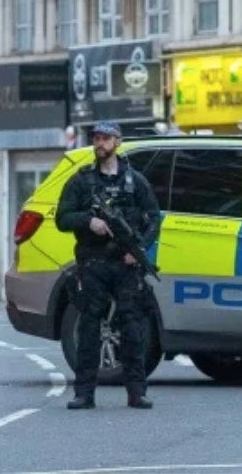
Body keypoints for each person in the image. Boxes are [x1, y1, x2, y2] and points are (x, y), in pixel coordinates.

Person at [54, 121, 161, 411]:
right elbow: (62, 218)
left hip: (126, 265)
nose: (99, 143)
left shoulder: (135, 181)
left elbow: (154, 218)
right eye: (96, 139)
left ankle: (137, 392)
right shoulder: (82, 180)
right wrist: (89, 221)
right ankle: (84, 393)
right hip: (94, 263)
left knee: (133, 327)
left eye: (104, 138)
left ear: (117, 142)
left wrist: (138, 251)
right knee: (89, 327)